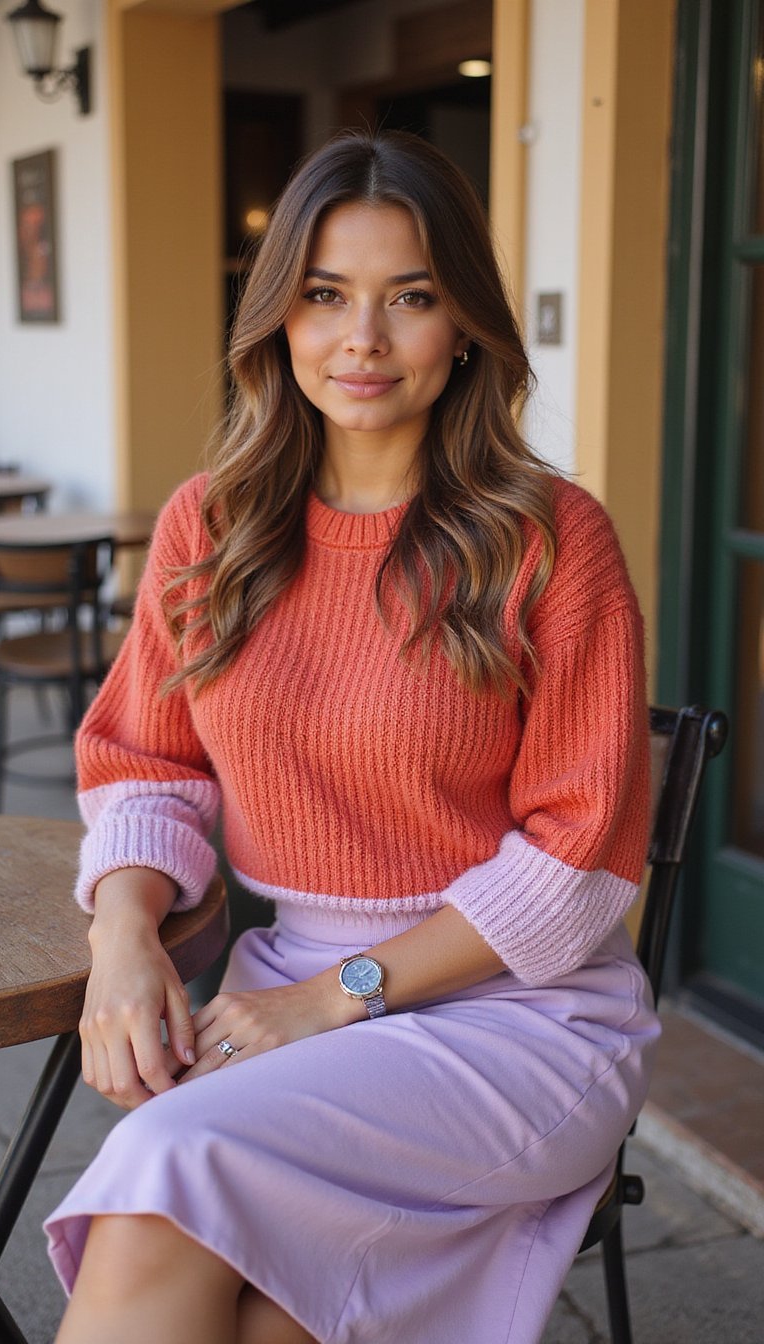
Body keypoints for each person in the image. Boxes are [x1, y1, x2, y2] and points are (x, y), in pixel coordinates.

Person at [45, 130, 660, 1344]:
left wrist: (340, 997)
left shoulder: (549, 537)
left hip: (521, 1019)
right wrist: (122, 929)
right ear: (278, 316)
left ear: (467, 325)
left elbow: (579, 861)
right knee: (276, 1307)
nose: (361, 341)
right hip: (291, 995)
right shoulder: (211, 525)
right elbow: (144, 762)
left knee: (169, 1165)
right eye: (324, 296)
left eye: (411, 299)